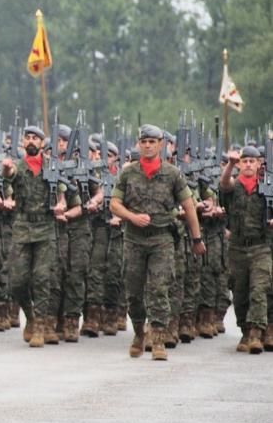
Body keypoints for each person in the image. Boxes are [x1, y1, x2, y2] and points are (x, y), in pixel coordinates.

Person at [110, 124, 206, 360]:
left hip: (162, 238)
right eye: (144, 141)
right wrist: (132, 217)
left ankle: (159, 338)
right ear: (138, 144)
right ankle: (139, 333)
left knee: (159, 289)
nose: (148, 145)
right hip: (134, 239)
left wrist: (196, 238)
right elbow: (114, 203)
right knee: (133, 292)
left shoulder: (172, 174)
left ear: (161, 144)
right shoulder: (128, 173)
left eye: (153, 142)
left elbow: (188, 207)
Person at [1, 126, 66, 347]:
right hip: (22, 227)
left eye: (35, 138)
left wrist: (60, 206)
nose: (31, 141)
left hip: (45, 228)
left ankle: (40, 326)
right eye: (27, 137)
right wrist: (7, 169)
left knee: (41, 278)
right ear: (22, 143)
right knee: (17, 281)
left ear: (42, 143)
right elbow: (9, 177)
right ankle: (29, 314)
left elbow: (62, 196)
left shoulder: (52, 167)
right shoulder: (18, 166)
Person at [219, 145, 271, 353]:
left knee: (259, 289)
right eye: (245, 161)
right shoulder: (235, 185)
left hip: (261, 247)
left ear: (259, 163)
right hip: (238, 248)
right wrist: (230, 165)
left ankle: (258, 333)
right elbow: (224, 185)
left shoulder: (267, 186)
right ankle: (245, 330)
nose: (248, 164)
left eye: (252, 161)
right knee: (239, 292)